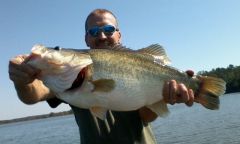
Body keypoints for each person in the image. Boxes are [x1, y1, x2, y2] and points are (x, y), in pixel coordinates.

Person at [9, 9, 194, 144]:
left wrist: (165, 96)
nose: (103, 35)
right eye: (94, 32)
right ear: (86, 39)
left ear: (119, 35)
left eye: (109, 29)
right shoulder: (66, 76)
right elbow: (33, 95)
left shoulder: (141, 63)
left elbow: (145, 116)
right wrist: (22, 81)